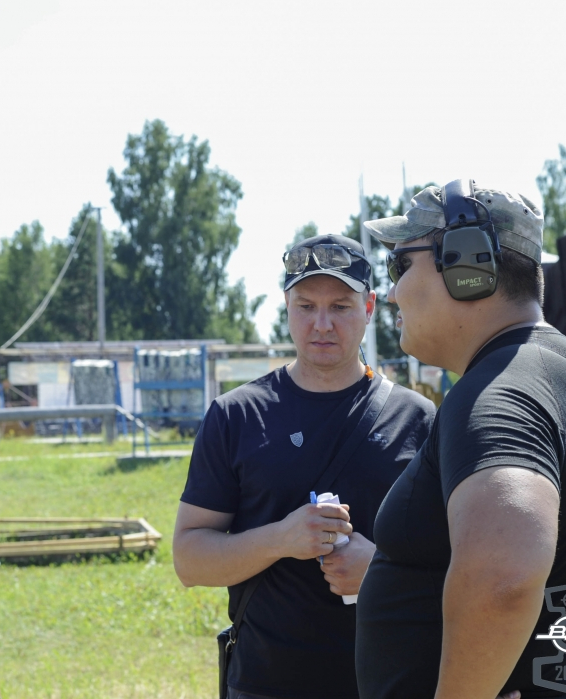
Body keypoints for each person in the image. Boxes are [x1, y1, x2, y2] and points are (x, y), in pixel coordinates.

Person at [356, 181, 566, 699]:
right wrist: (563, 648)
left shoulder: (496, 393)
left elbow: (504, 577)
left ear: (467, 266)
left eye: (401, 265)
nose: (393, 291)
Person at [173, 234, 436, 699]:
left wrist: (381, 571)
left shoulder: (417, 419)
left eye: (340, 307)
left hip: (391, 682)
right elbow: (189, 560)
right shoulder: (237, 416)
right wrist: (281, 538)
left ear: (369, 308)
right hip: (266, 683)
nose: (322, 324)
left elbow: (459, 560)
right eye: (306, 306)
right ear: (286, 307)